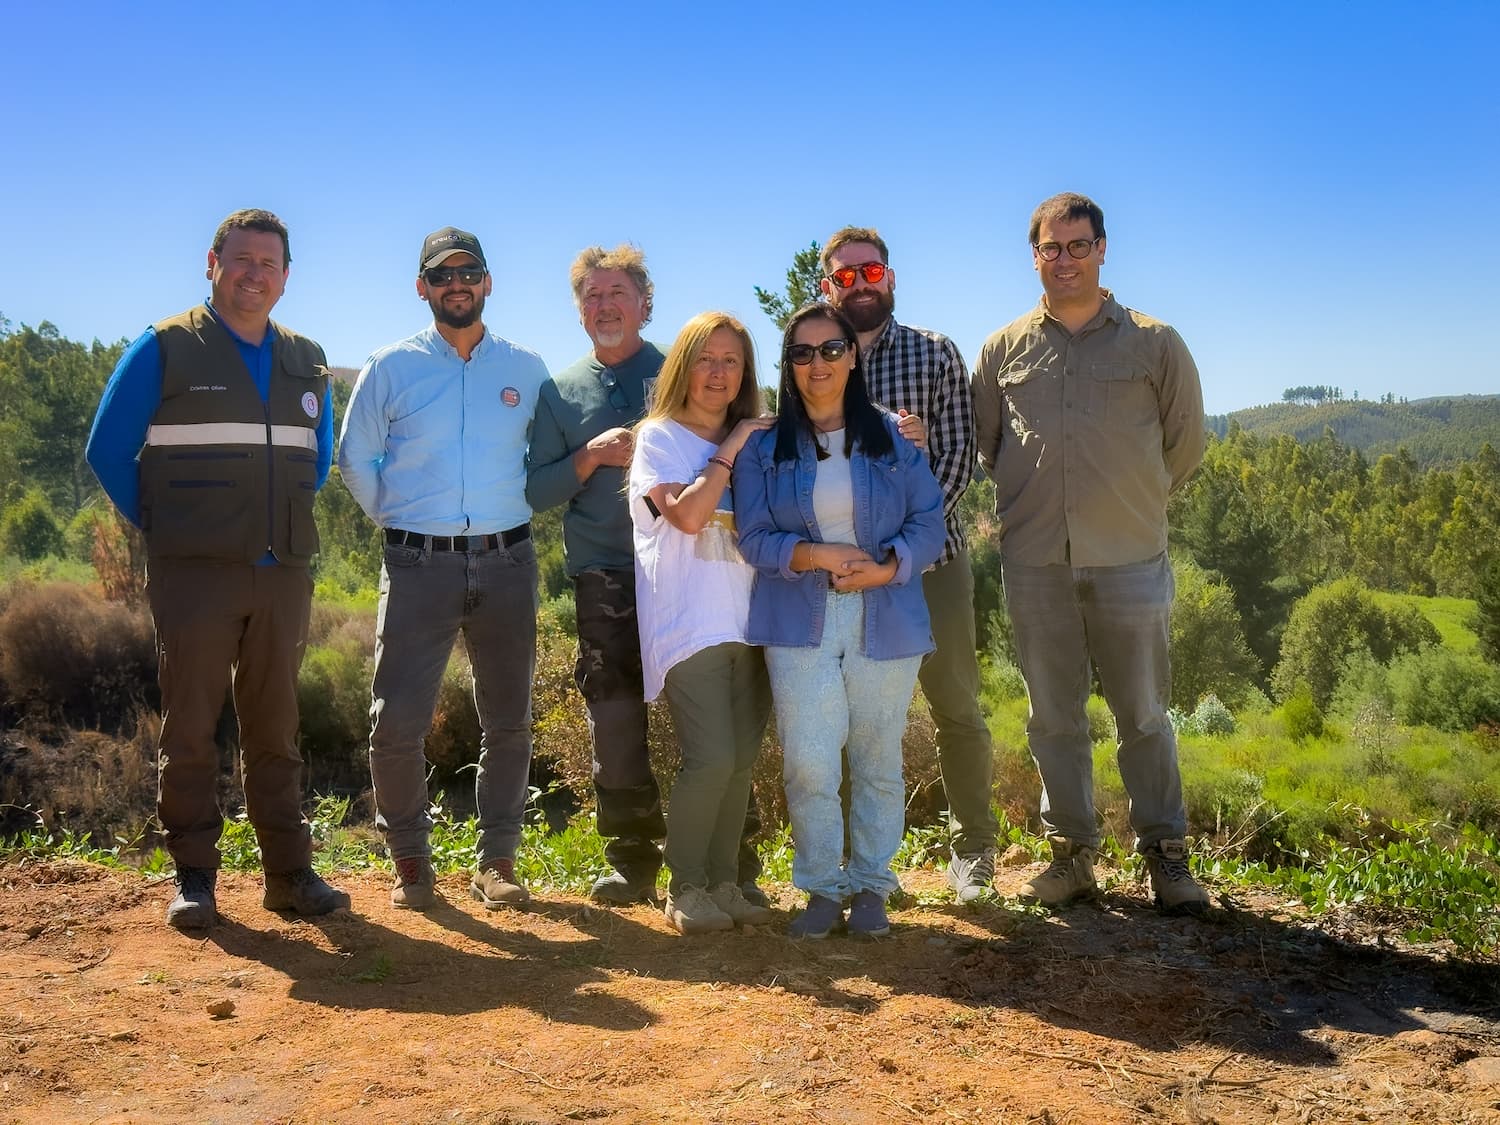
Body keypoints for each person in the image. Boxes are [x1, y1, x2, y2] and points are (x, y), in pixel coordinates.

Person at [85, 208, 347, 929]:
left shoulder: (309, 358)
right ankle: (196, 877)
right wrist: (167, 525)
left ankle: (289, 874)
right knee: (191, 722)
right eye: (240, 259)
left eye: (268, 263)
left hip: (282, 572)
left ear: (286, 278)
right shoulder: (165, 347)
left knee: (276, 724)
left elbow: (317, 461)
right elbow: (107, 451)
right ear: (211, 263)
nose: (253, 273)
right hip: (194, 571)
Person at [971, 192, 1210, 914]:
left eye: (1079, 246)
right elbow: (988, 446)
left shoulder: (1154, 342)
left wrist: (1130, 501)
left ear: (1103, 249)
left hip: (1131, 558)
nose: (1065, 259)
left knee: (1143, 714)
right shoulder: (1002, 349)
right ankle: (1072, 855)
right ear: (1034, 255)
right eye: (1052, 247)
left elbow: (1186, 443)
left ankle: (1166, 856)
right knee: (1053, 717)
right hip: (1036, 559)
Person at [527, 246, 765, 907]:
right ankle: (630, 858)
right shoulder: (559, 392)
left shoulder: (685, 368)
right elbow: (534, 488)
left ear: (644, 303)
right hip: (606, 571)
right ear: (580, 311)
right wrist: (587, 457)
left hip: (695, 574)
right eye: (592, 297)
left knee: (720, 725)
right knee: (616, 717)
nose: (604, 306)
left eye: (617, 293)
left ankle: (732, 862)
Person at [338, 227, 548, 912]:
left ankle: (498, 862)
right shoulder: (390, 367)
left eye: (469, 271)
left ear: (488, 282)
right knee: (396, 724)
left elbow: (545, 462)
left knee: (508, 720)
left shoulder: (526, 368)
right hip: (417, 563)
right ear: (422, 287)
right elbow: (354, 459)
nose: (456, 283)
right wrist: (403, 524)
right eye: (442, 274)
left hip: (508, 561)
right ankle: (411, 864)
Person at [735, 304, 945, 939]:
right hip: (799, 619)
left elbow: (929, 524)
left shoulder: (891, 439)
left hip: (886, 616)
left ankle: (873, 886)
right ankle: (823, 889)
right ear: (788, 365)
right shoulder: (763, 449)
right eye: (802, 353)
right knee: (809, 762)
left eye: (831, 350)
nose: (817, 364)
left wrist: (887, 568)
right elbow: (752, 538)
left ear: (853, 357)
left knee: (879, 758)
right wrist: (813, 555)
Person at [819, 226, 1000, 904]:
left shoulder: (933, 354)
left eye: (871, 273)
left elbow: (956, 465)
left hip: (930, 568)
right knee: (851, 718)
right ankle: (854, 860)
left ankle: (973, 852)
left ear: (889, 277)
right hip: (843, 572)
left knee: (956, 707)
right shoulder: (814, 356)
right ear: (827, 285)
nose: (859, 285)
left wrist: (895, 551)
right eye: (845, 276)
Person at [628, 312, 775, 934]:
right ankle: (684, 886)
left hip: (755, 621)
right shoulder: (659, 438)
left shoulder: (762, 440)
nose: (717, 373)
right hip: (690, 624)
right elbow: (688, 518)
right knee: (710, 758)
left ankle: (722, 883)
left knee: (740, 760)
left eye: (731, 361)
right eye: (705, 359)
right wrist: (732, 447)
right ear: (682, 366)